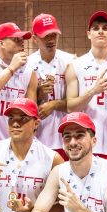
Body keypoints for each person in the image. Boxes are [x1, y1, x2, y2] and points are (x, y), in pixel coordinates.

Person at [65, 11, 107, 164]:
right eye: (96, 28)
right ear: (88, 34)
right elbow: (70, 107)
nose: (100, 31)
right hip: (82, 141)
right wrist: (94, 90)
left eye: (105, 28)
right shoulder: (75, 65)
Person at [27, 13, 74, 155]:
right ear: (35, 39)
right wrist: (38, 93)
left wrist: (54, 104)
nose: (51, 39)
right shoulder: (27, 64)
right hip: (37, 138)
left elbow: (76, 102)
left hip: (65, 137)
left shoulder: (71, 61)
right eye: (46, 35)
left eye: (54, 34)